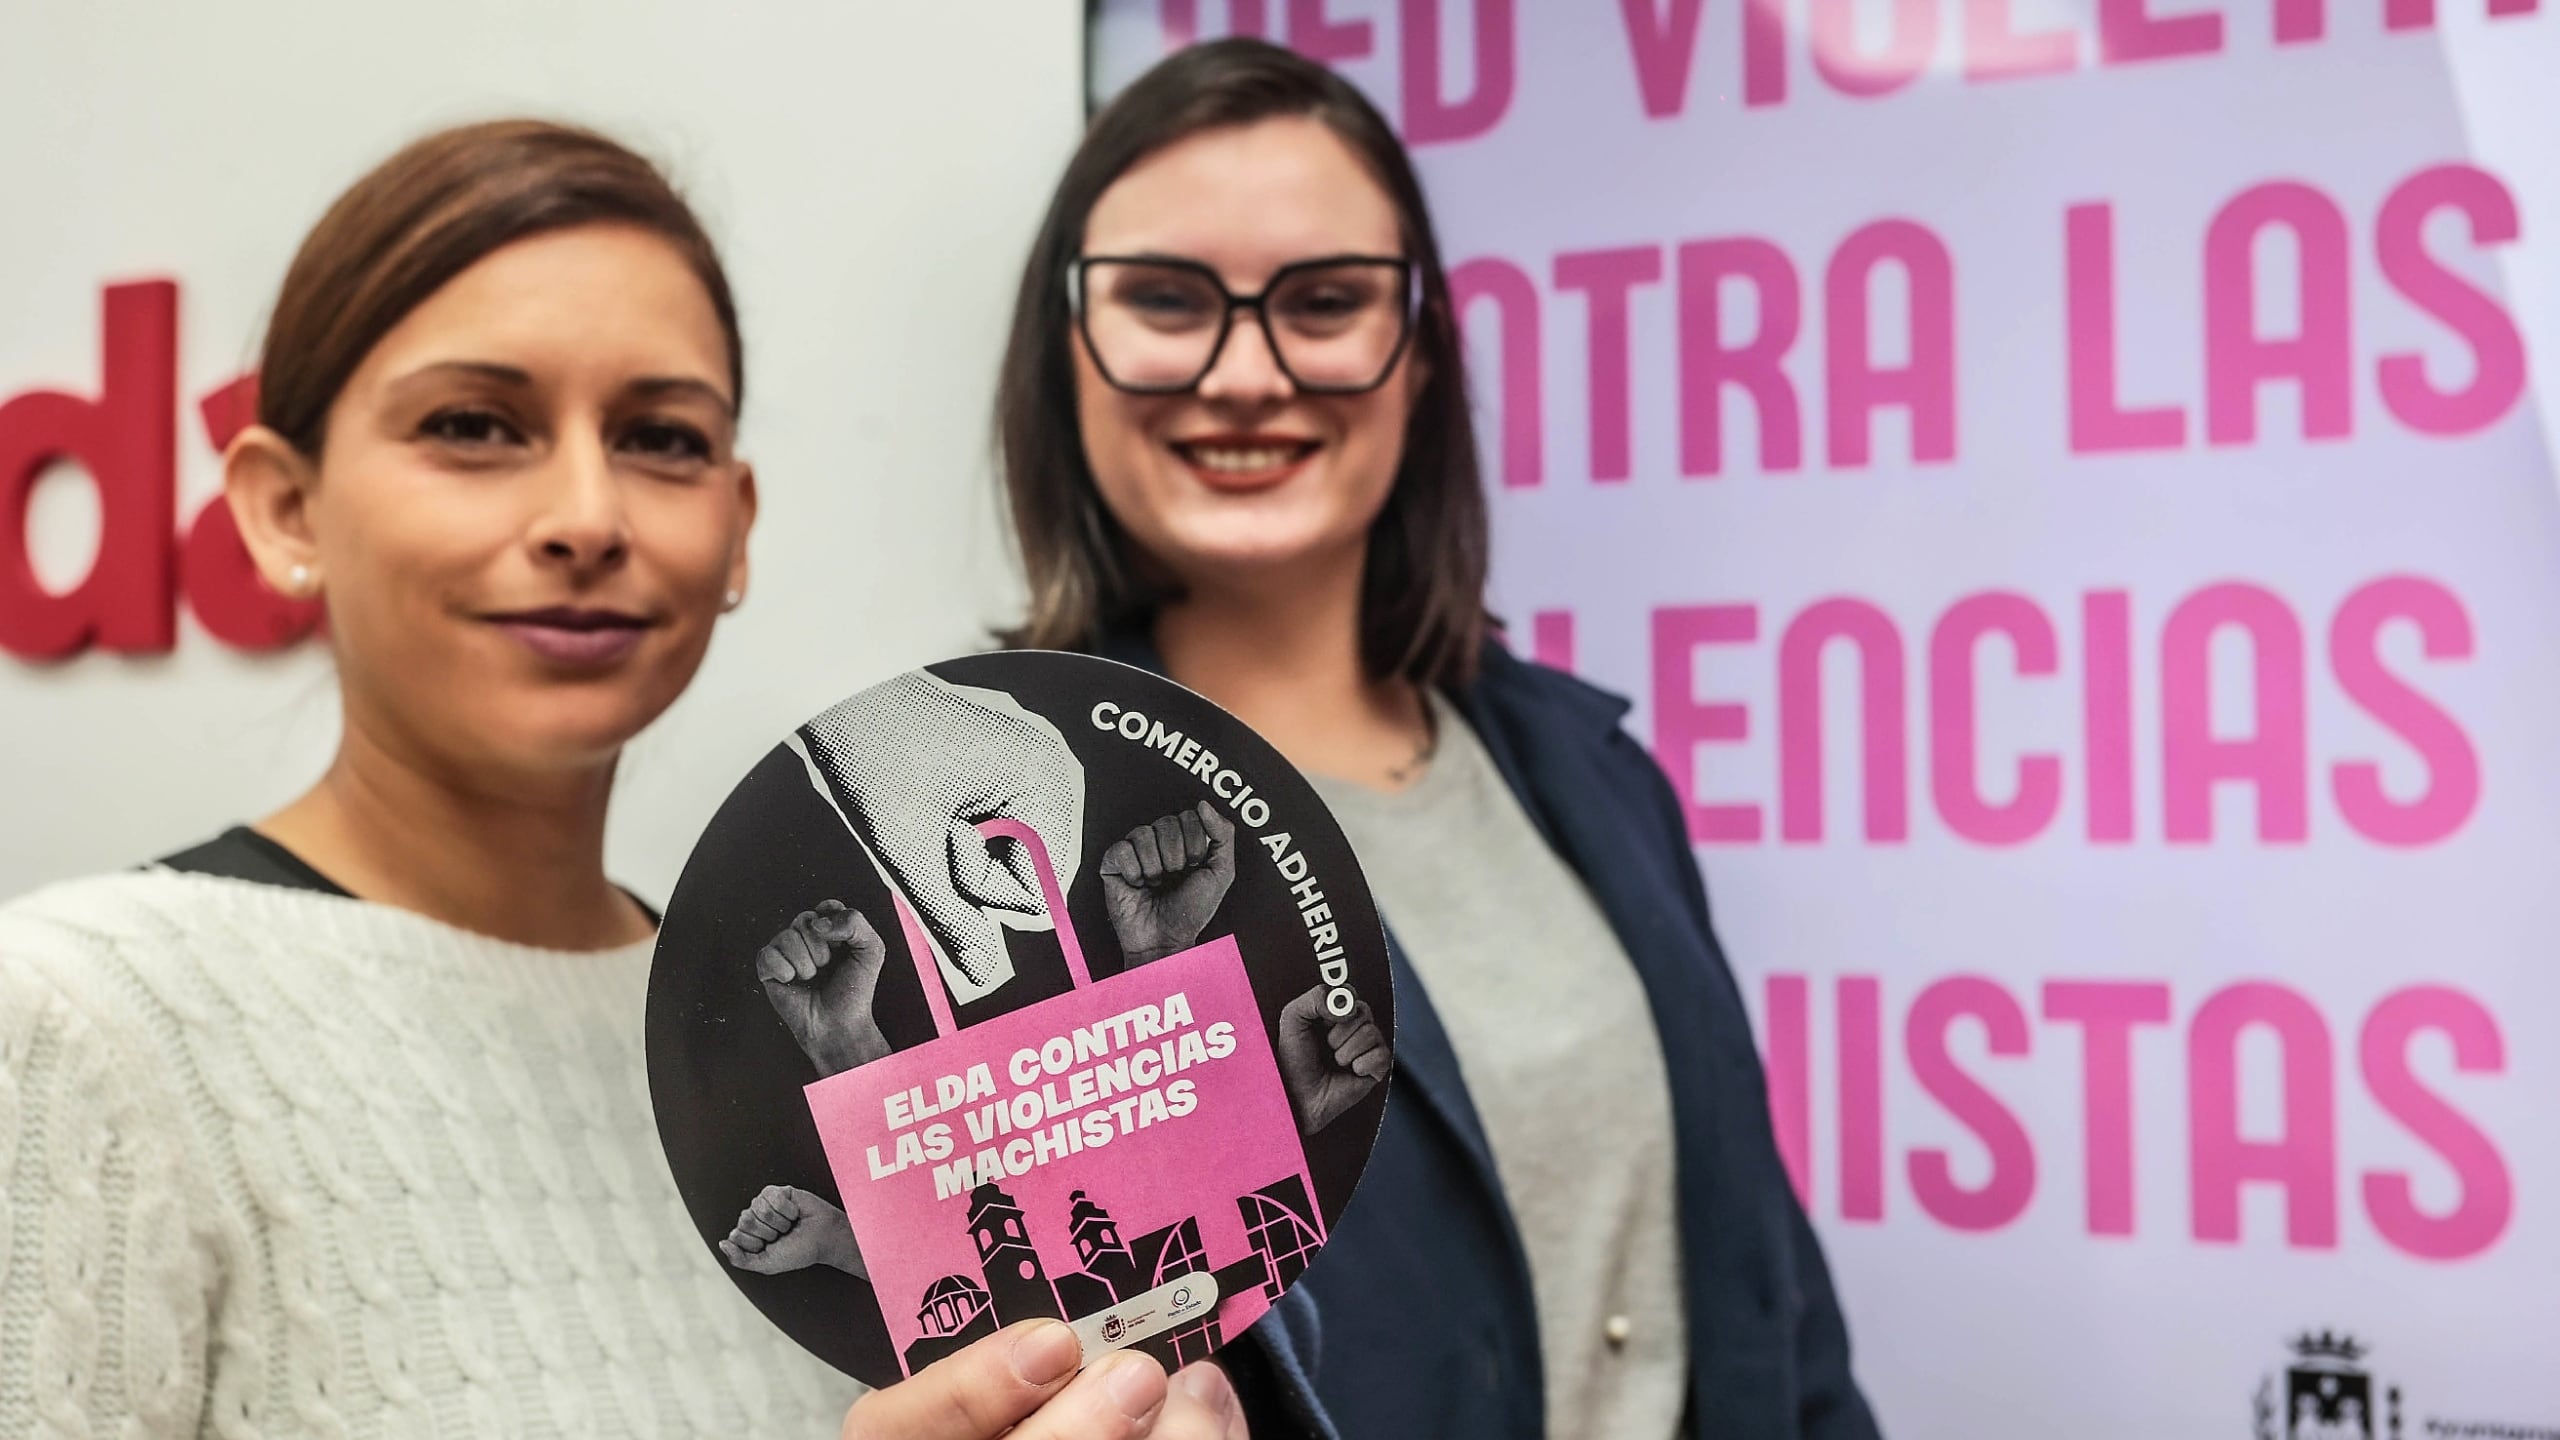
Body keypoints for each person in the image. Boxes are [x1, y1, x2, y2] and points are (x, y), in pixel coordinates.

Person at [0, 119, 1260, 1440]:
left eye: (661, 438)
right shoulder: (73, 1025)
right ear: (282, 510)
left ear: (736, 528)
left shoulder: (796, 1029)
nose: (588, 517)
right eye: (475, 425)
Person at [982, 38, 1889, 1440]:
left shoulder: (1588, 775)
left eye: (1327, 301)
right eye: (1165, 300)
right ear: (1066, 356)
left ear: (1419, 350)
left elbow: (1778, 1316)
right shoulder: (996, 864)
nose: (1246, 372)